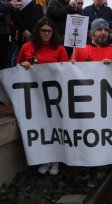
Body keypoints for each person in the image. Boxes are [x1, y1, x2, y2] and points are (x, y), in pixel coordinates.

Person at [72, 18, 112, 188]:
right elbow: (68, 72)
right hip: (90, 104)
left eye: (106, 30)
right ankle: (93, 173)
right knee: (92, 138)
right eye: (100, 30)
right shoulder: (80, 50)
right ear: (92, 33)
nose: (103, 32)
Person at [17, 18, 68, 175]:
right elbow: (17, 67)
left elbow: (67, 71)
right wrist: (24, 65)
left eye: (49, 31)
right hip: (34, 95)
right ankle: (45, 158)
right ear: (38, 31)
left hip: (54, 96)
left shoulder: (59, 49)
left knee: (55, 126)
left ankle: (56, 160)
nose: (46, 34)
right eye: (44, 30)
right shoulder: (26, 47)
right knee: (40, 127)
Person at [0, 0, 23, 70]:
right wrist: (10, 5)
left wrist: (13, 5)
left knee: (4, 66)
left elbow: (6, 5)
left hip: (4, 32)